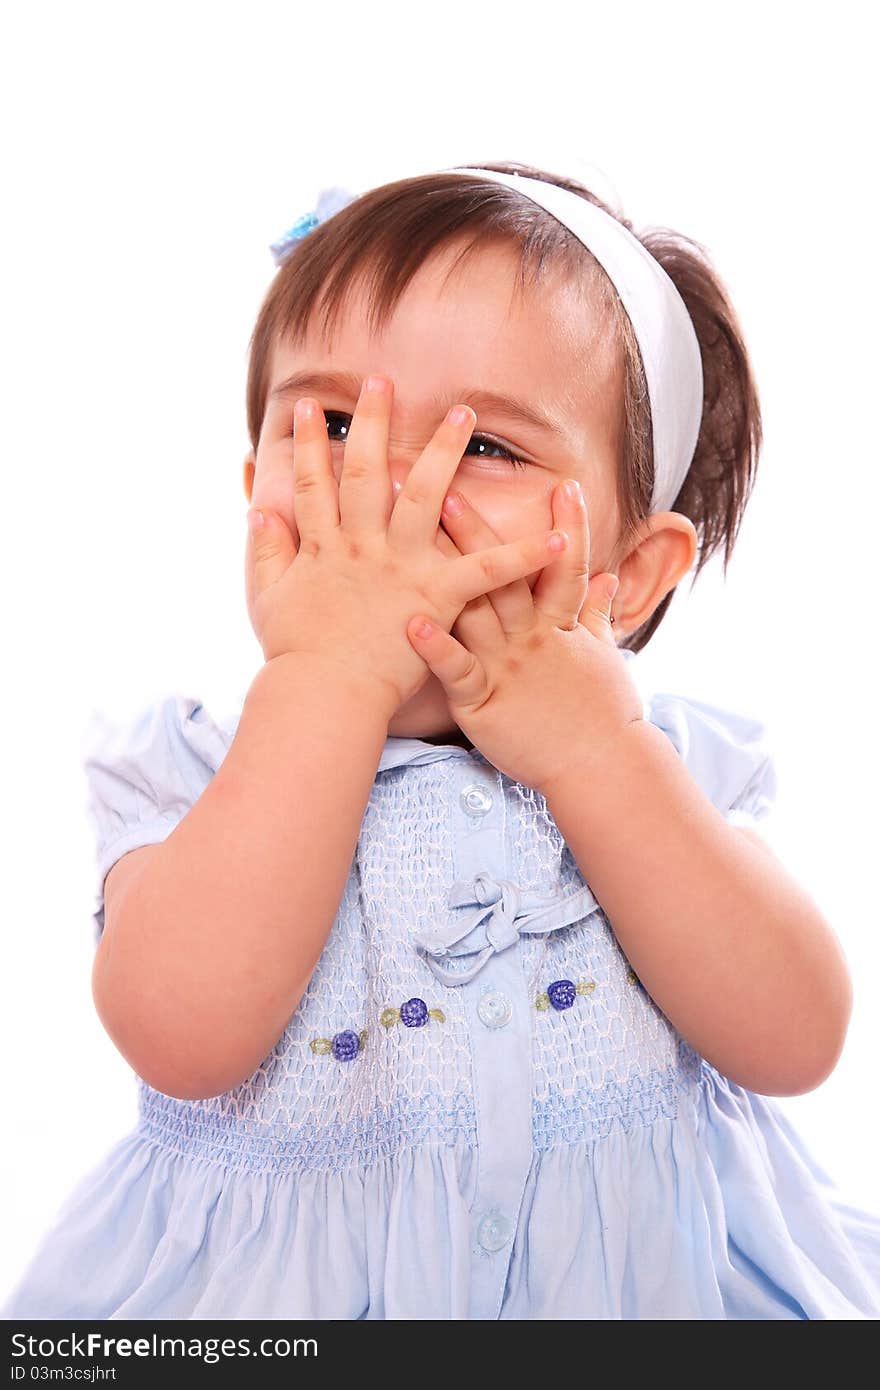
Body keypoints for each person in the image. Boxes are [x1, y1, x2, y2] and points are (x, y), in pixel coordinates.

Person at [4, 160, 880, 1321]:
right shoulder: (200, 772)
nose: (394, 493)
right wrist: (326, 677)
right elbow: (180, 1034)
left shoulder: (661, 769)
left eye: (485, 447)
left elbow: (794, 1036)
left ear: (626, 576)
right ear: (258, 487)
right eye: (332, 425)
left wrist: (597, 755)